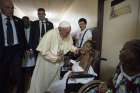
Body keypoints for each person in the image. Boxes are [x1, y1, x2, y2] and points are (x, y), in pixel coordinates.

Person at [28, 21, 77, 93]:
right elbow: (44, 51)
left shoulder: (67, 34)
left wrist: (75, 49)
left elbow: (68, 44)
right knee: (42, 83)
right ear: (60, 29)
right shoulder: (50, 34)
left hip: (56, 65)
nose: (68, 34)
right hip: (45, 65)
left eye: (69, 32)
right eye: (67, 32)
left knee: (54, 84)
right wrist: (56, 58)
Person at [0, 0, 27, 93]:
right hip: (3, 52)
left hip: (16, 51)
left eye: (12, 8)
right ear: (1, 8)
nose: (11, 10)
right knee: (3, 76)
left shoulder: (18, 21)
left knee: (19, 75)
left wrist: (27, 48)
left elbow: (23, 37)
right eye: (7, 8)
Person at [22, 16, 35, 93]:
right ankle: (25, 85)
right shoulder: (20, 30)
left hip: (31, 51)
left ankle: (31, 85)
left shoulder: (32, 30)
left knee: (30, 68)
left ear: (29, 21)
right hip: (23, 52)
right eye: (23, 21)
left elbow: (34, 40)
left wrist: (31, 50)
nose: (25, 23)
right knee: (24, 69)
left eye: (26, 21)